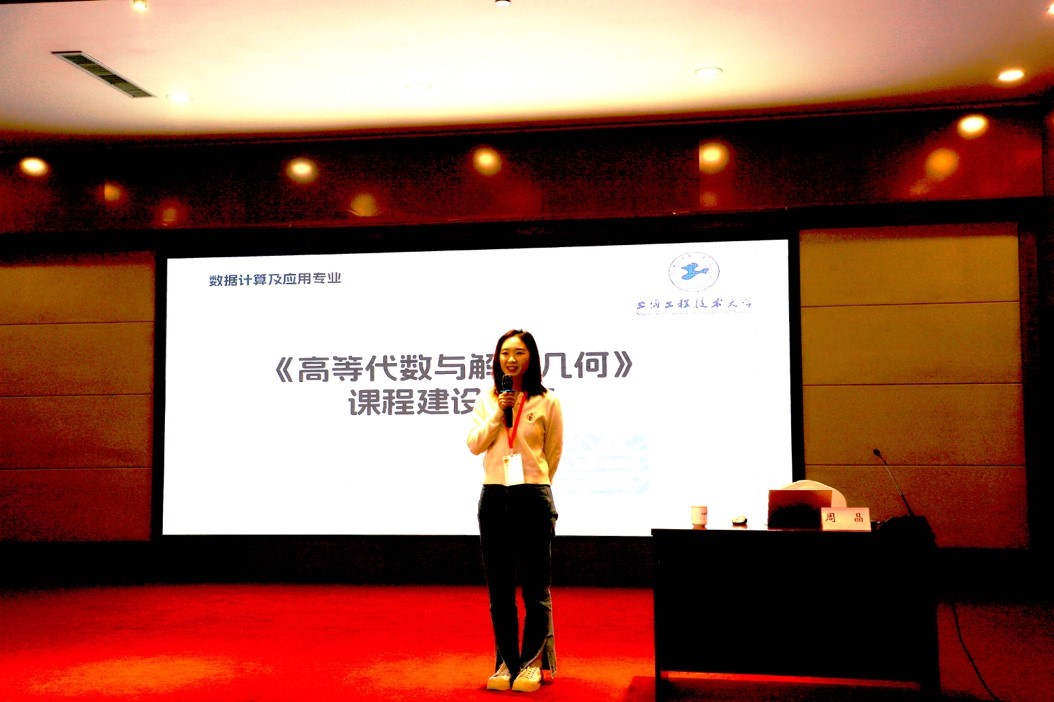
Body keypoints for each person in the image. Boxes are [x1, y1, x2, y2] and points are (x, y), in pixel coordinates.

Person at [467, 329, 563, 693]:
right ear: (497, 359)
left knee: (536, 588)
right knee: (500, 590)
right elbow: (475, 444)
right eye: (505, 352)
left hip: (532, 495)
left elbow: (552, 453)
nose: (511, 359)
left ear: (531, 358)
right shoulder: (489, 398)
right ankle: (506, 660)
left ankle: (532, 662)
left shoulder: (547, 401)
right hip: (494, 496)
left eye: (519, 352)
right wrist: (498, 413)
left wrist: (536, 483)